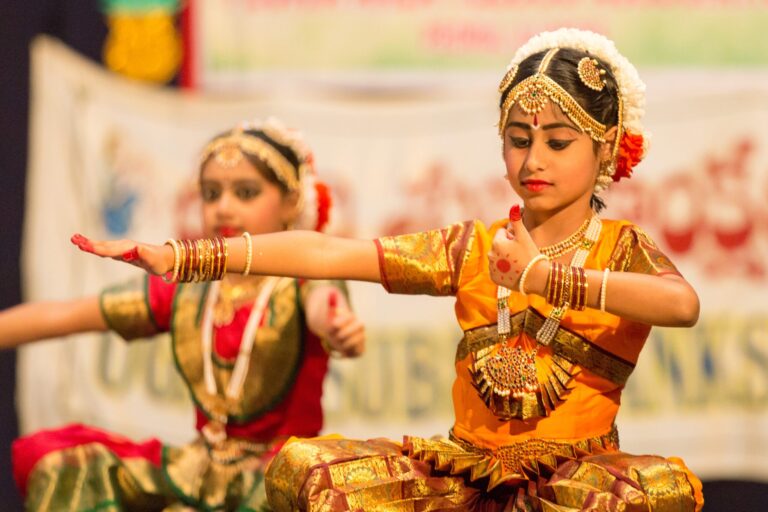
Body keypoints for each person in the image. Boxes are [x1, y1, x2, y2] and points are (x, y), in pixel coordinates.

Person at [74, 28, 704, 511]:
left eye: (558, 142)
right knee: (308, 474)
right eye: (517, 138)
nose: (532, 159)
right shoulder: (476, 249)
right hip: (466, 472)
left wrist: (545, 278)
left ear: (607, 148)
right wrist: (189, 259)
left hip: (577, 483)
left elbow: (682, 305)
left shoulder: (620, 250)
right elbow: (333, 253)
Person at [3, 118, 366, 511]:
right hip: (196, 469)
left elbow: (325, 304)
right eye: (211, 194)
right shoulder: (189, 289)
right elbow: (66, 315)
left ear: (292, 201)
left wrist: (337, 326)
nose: (224, 208)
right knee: (67, 465)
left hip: (279, 479)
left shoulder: (303, 280)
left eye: (245, 193)